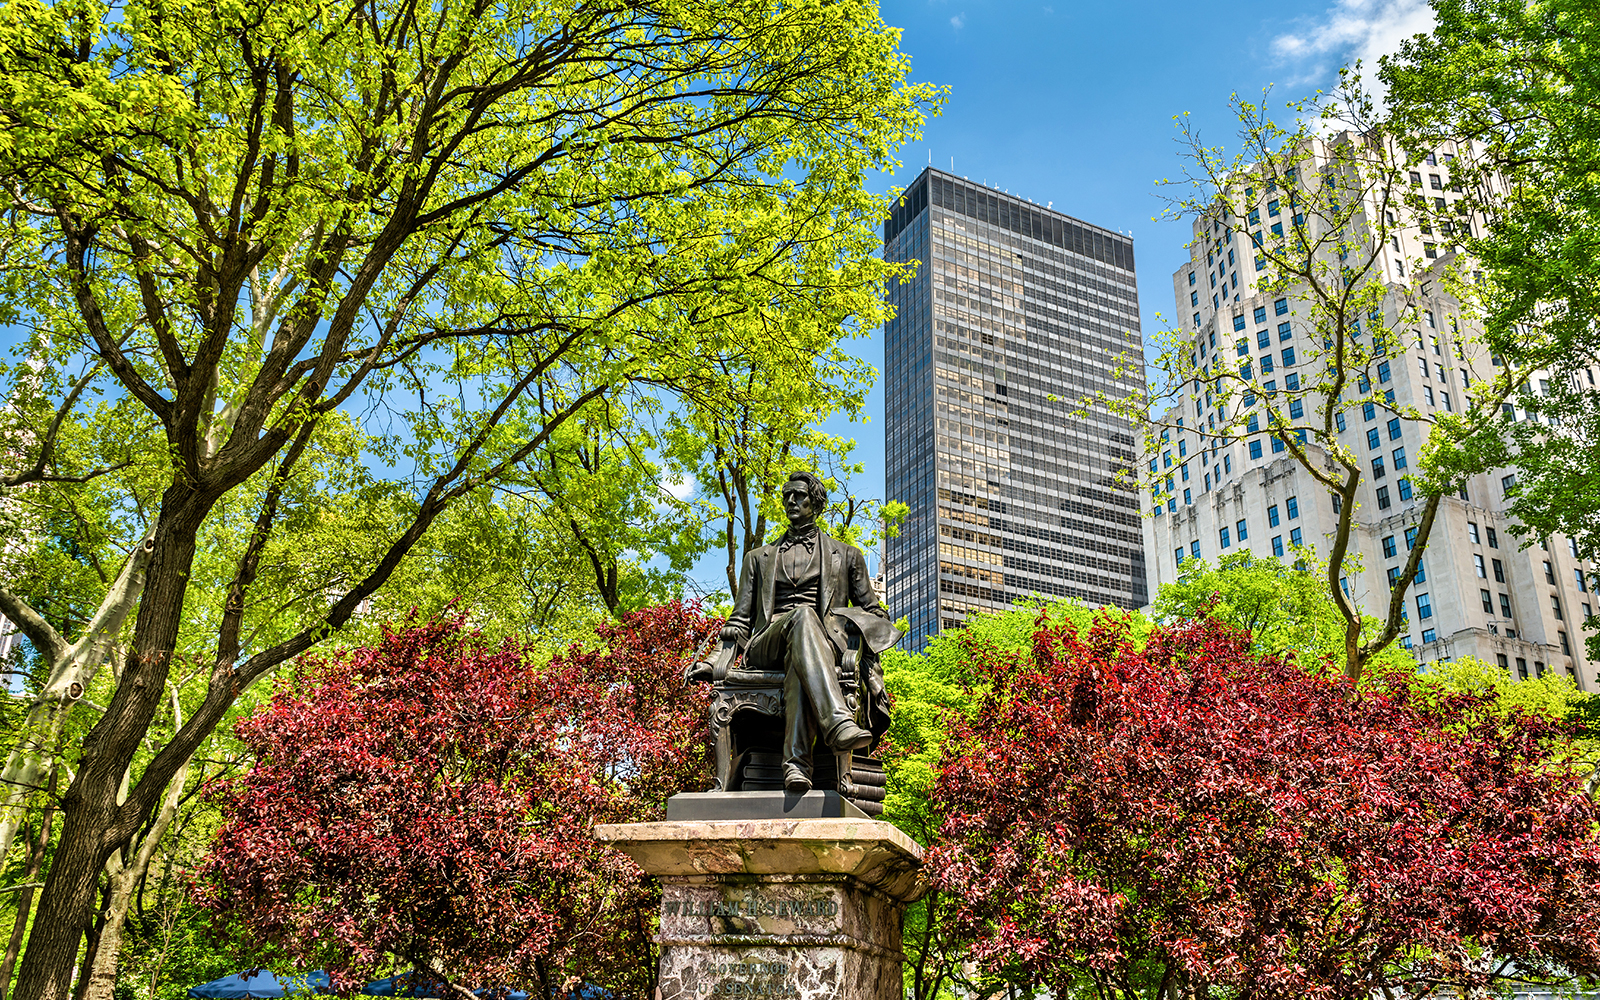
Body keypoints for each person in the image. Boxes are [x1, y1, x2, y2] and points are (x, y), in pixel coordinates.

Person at [699, 471, 900, 794]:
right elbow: (738, 621)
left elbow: (876, 613)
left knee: (802, 654)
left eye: (800, 496)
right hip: (767, 645)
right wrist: (714, 660)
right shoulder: (757, 559)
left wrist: (848, 626)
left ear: (816, 503)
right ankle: (836, 722)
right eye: (787, 496)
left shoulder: (847, 555)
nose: (791, 501)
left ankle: (796, 767)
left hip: (818, 647)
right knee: (804, 616)